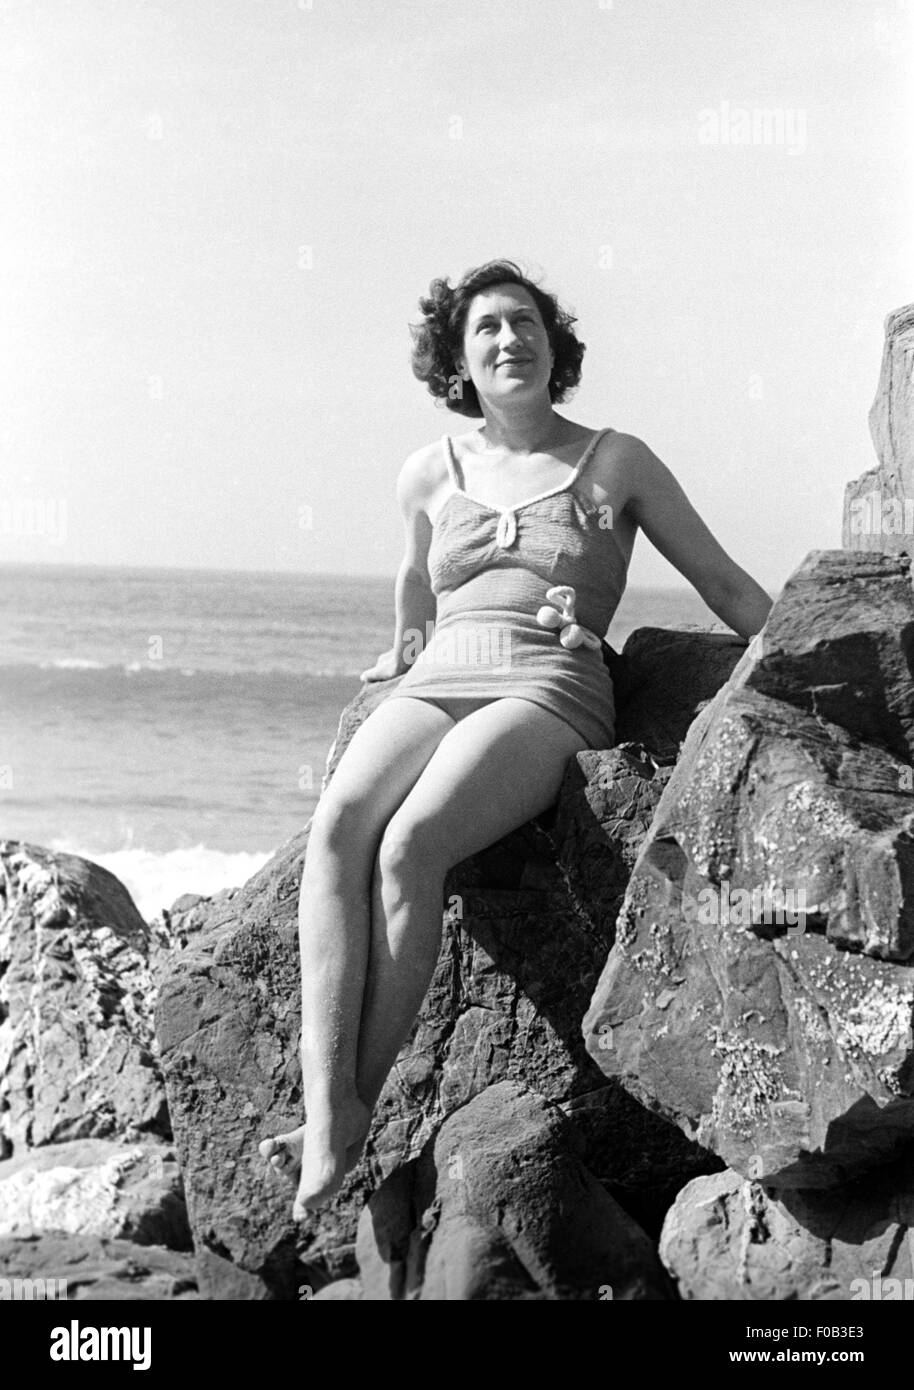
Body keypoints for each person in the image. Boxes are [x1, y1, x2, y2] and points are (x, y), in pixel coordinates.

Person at [259, 259, 772, 1216]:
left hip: (548, 684)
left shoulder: (616, 461)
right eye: (488, 327)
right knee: (337, 829)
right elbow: (415, 589)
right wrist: (397, 652)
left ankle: (345, 1123)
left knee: (412, 846)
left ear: (554, 342)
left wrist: (793, 656)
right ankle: (324, 1103)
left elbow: (727, 587)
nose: (510, 339)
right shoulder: (427, 471)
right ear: (459, 357)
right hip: (439, 675)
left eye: (526, 323)